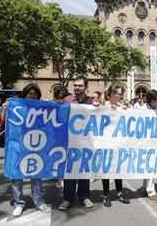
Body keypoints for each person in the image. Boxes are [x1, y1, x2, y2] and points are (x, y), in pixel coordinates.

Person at [11, 83, 51, 217]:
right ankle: (18, 203)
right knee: (17, 176)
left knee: (36, 175)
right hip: (19, 146)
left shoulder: (43, 109)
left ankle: (39, 202)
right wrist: (6, 108)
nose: (32, 96)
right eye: (30, 93)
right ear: (25, 95)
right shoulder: (17, 107)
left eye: (35, 94)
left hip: (36, 146)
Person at [59, 76, 96, 211]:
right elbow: (54, 111)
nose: (77, 88)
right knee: (69, 172)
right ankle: (67, 199)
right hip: (69, 142)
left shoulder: (92, 102)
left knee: (84, 171)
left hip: (86, 142)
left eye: (80, 86)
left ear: (86, 87)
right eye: (75, 85)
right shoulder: (67, 101)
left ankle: (84, 196)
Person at [101, 83, 130, 207]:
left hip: (118, 144)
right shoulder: (103, 107)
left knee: (118, 169)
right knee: (106, 169)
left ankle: (119, 193)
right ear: (112, 95)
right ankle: (106, 195)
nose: (122, 96)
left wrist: (127, 111)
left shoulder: (120, 107)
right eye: (120, 94)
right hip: (105, 143)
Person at [140, 89, 157, 203]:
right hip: (144, 143)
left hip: (154, 142)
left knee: (149, 166)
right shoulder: (141, 110)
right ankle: (151, 192)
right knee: (149, 166)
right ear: (152, 101)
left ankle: (146, 188)